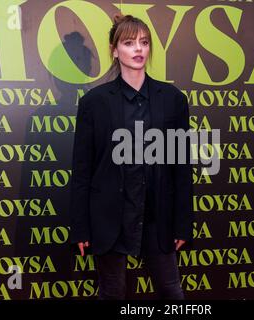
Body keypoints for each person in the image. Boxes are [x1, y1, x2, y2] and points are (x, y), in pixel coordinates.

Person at [69, 13, 194, 300]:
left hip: (157, 218)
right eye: (129, 42)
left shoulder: (172, 99)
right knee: (112, 292)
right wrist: (80, 227)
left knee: (171, 291)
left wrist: (183, 223)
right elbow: (82, 171)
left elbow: (182, 168)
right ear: (114, 50)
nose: (138, 49)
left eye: (144, 42)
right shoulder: (94, 103)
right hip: (109, 217)